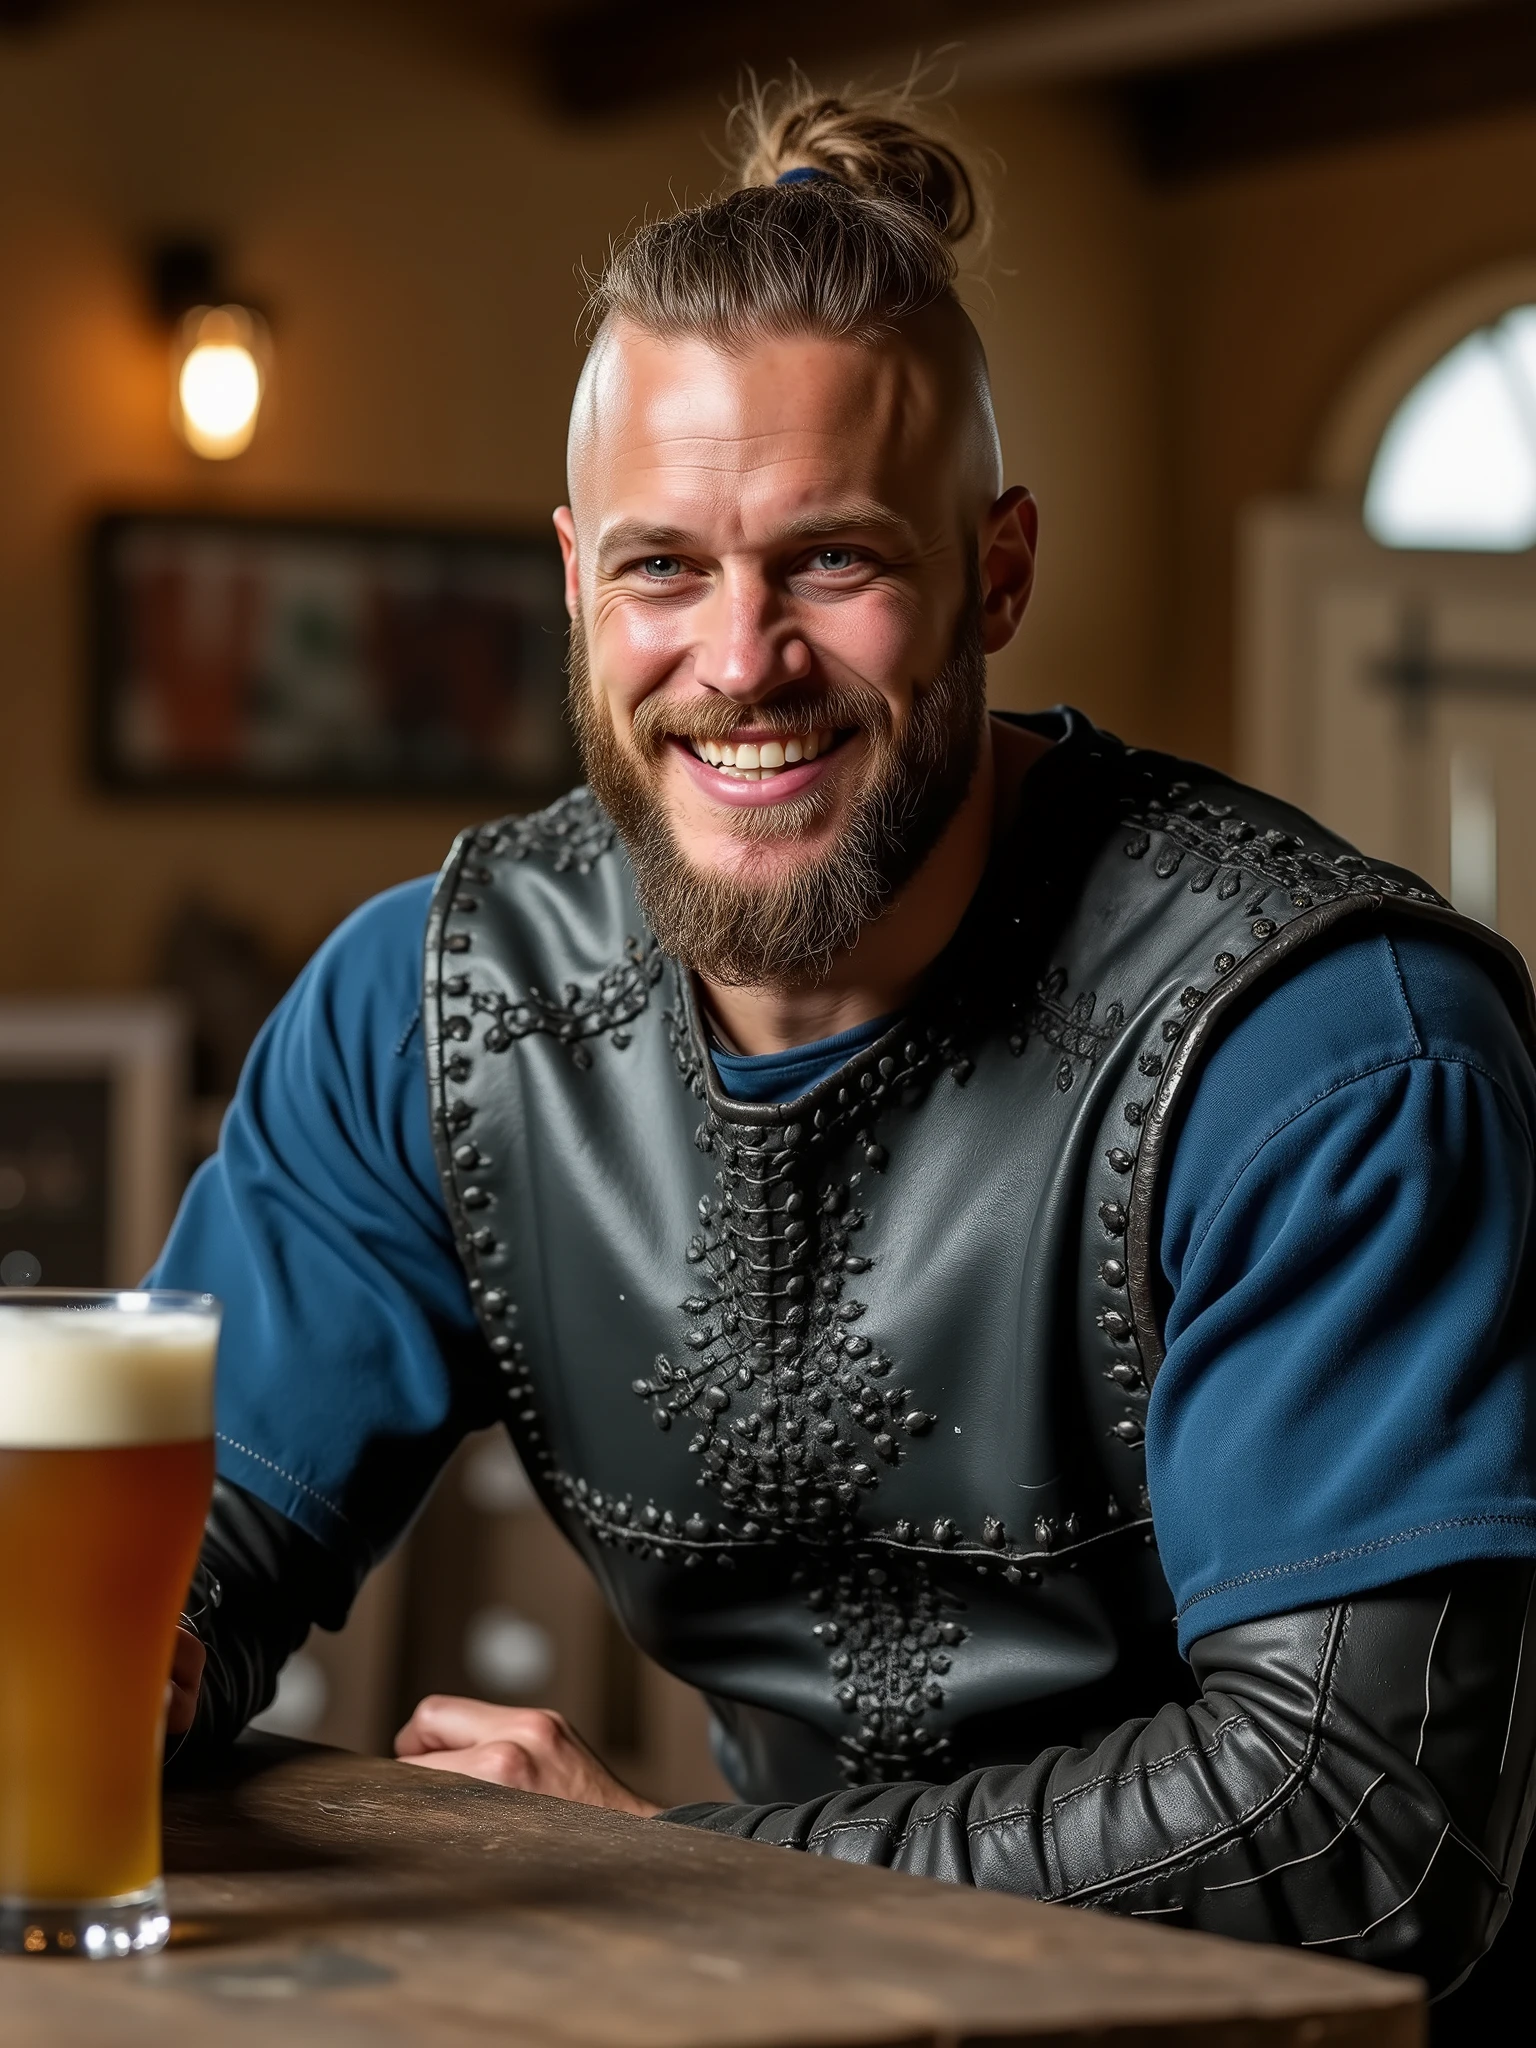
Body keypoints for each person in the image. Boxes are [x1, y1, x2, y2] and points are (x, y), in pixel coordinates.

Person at [157, 82, 1536, 2020]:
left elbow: (1361, 1814)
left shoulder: (1329, 1052)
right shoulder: (425, 1014)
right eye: (663, 568)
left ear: (999, 570)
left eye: (832, 561)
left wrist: (667, 1874)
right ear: (572, 579)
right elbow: (181, 1532)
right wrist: (125, 1658)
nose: (740, 658)